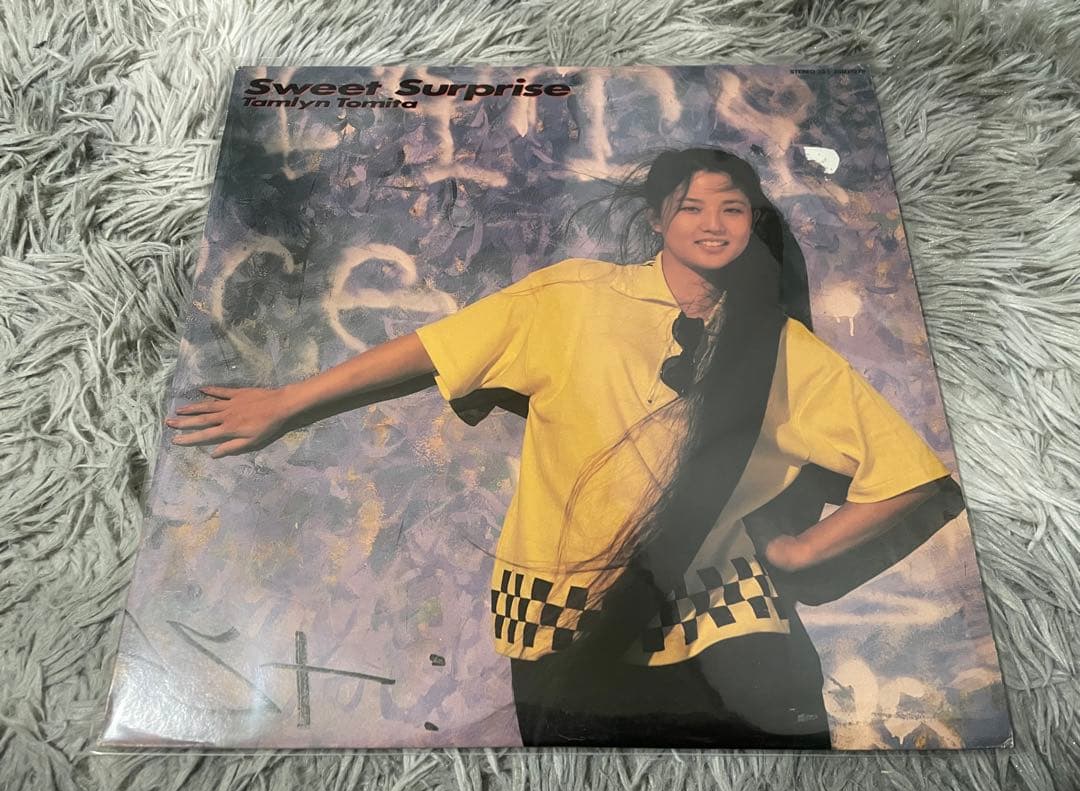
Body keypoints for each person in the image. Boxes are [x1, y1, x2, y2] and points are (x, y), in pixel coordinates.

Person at [166, 148, 953, 749]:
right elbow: (435, 348)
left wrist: (803, 552)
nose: (713, 223)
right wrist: (288, 402)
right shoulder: (573, 297)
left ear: (753, 224)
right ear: (658, 220)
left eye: (733, 209)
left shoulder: (782, 346)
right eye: (691, 207)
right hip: (563, 617)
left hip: (726, 624)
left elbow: (910, 476)